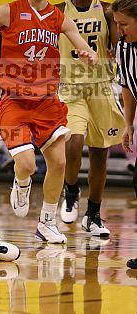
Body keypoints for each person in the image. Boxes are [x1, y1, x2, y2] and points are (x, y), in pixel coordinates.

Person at [0, 0, 98, 243]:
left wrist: (89, 54)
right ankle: (21, 182)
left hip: (46, 99)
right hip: (11, 98)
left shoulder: (58, 17)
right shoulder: (8, 11)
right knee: (27, 165)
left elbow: (80, 42)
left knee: (58, 162)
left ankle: (47, 223)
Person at [58, 0, 124, 238]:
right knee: (73, 142)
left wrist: (115, 49)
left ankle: (93, 215)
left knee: (99, 153)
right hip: (70, 88)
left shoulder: (107, 10)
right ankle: (71, 190)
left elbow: (119, 43)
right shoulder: (58, 9)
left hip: (101, 87)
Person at [112, 0, 137, 269]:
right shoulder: (122, 47)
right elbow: (127, 86)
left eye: (124, 24)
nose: (119, 29)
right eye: (117, 23)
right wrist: (128, 123)